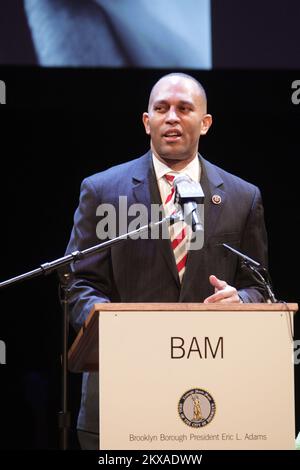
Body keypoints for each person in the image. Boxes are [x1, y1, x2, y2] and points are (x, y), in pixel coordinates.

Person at [65, 72, 269, 449]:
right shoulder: (103, 190)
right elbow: (79, 283)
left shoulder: (243, 197)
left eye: (184, 108)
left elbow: (259, 287)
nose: (171, 117)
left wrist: (240, 301)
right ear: (147, 122)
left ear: (205, 123)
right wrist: (109, 322)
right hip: (124, 387)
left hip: (212, 390)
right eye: (161, 109)